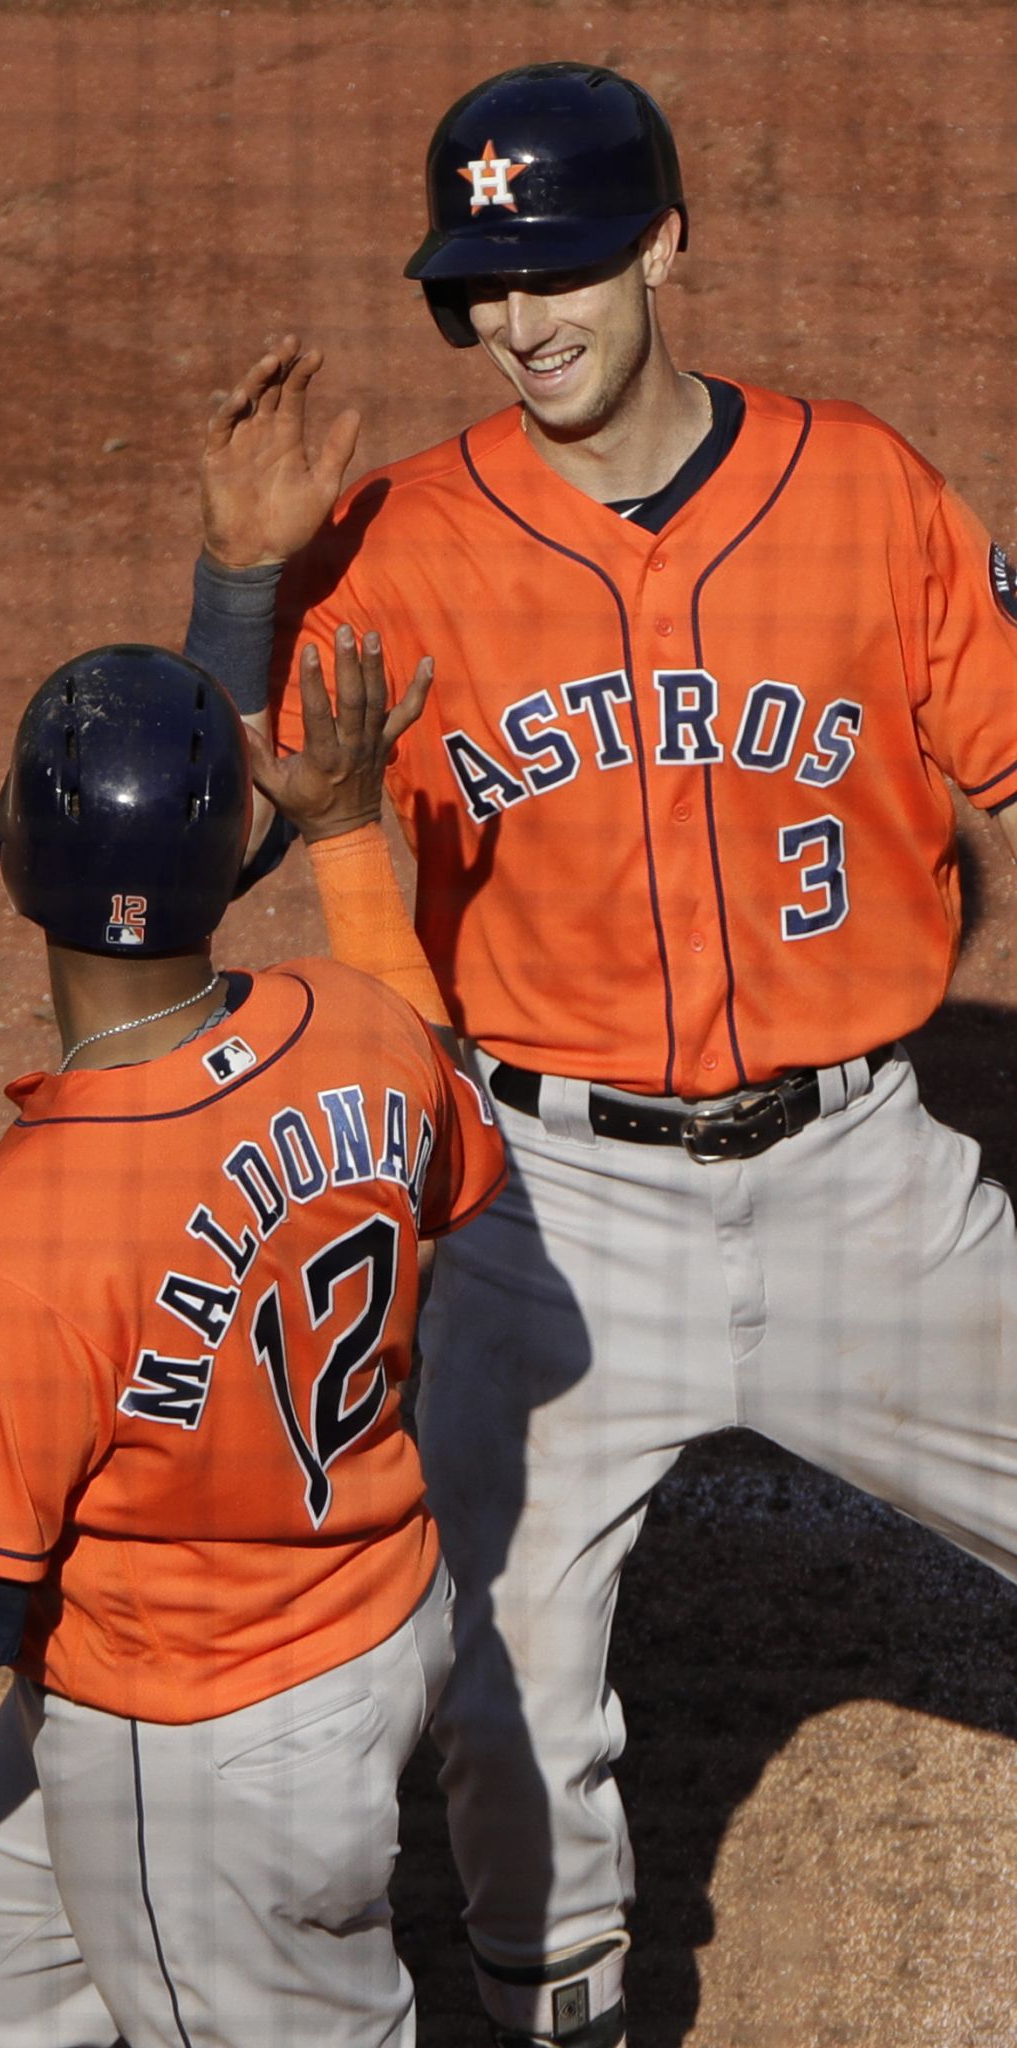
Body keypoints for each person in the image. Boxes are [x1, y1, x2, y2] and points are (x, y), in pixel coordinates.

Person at [194, 59, 1017, 2048]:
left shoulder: (858, 490)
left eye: (558, 267)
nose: (522, 323)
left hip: (856, 1184)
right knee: (495, 1685)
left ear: (664, 242)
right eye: (480, 286)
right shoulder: (390, 545)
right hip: (546, 1209)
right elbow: (208, 847)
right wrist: (238, 589)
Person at [0, 615, 505, 2044]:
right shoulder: (357, 1025)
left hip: (194, 1743)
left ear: (14, 855)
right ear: (230, 853)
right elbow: (446, 1109)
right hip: (378, 1627)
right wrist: (340, 836)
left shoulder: (22, 1234)